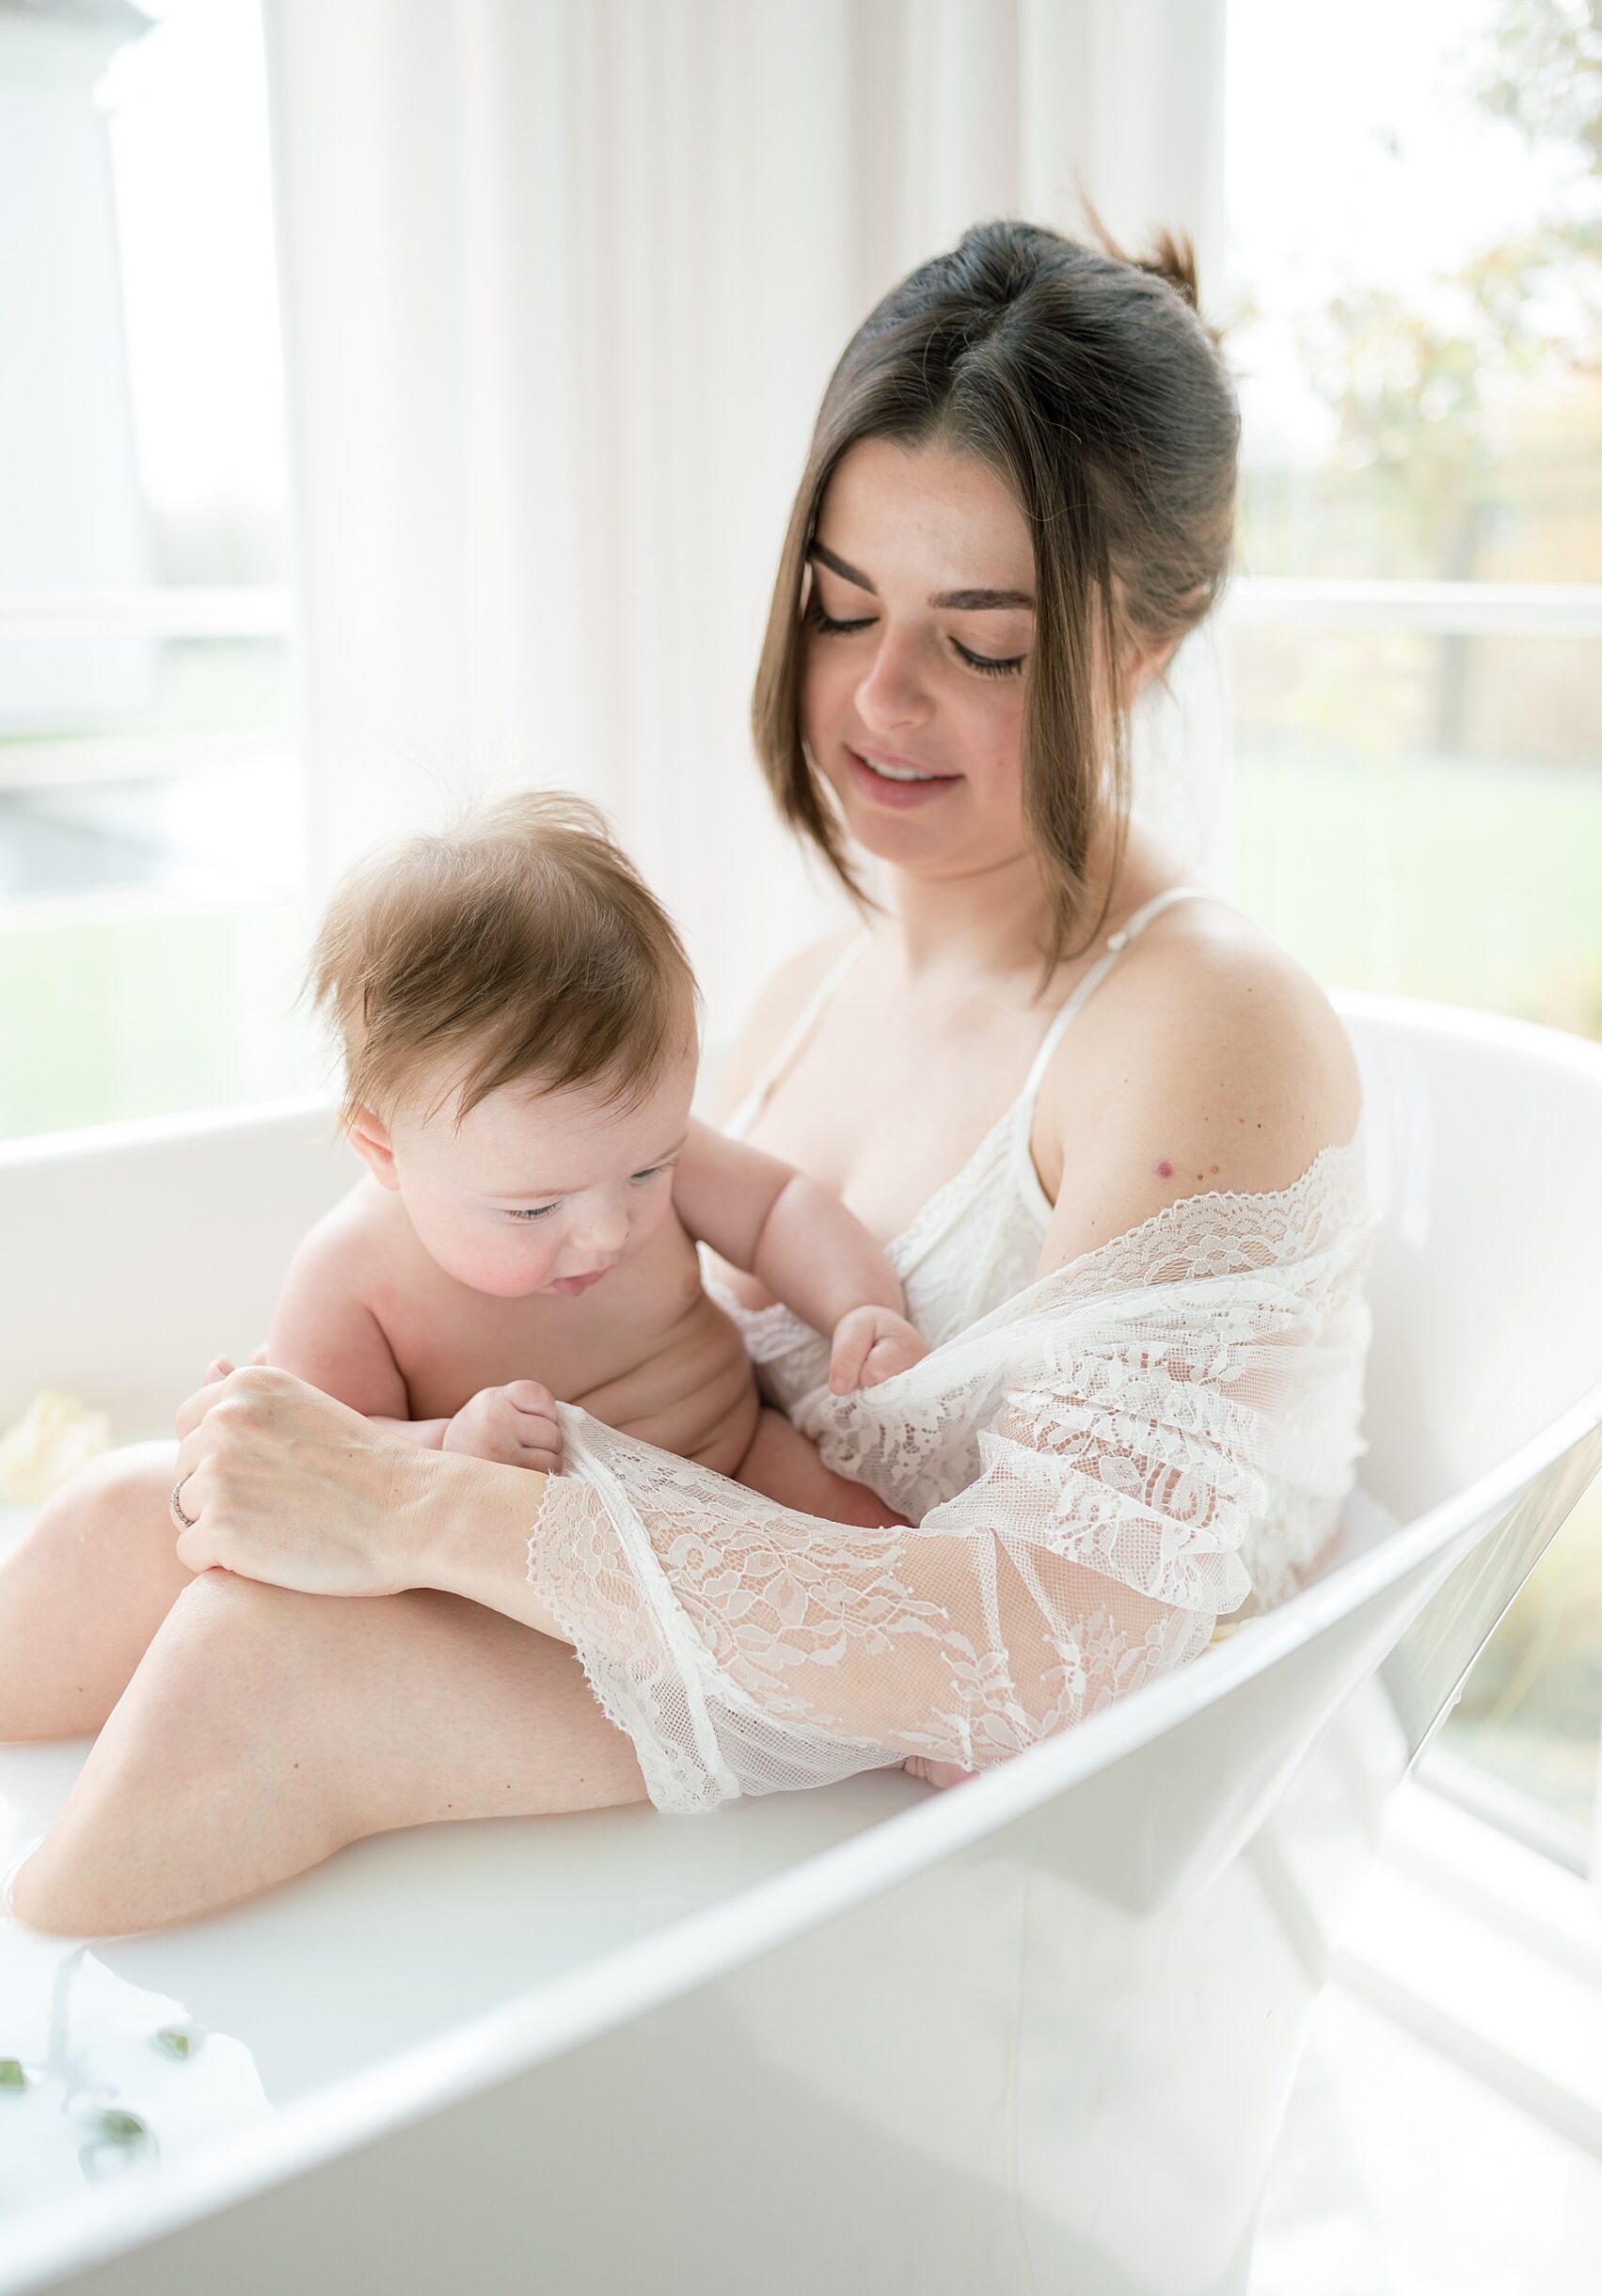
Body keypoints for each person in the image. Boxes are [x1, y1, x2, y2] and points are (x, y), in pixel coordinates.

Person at [1, 217, 1372, 1938]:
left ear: (1143, 649)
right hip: (685, 1587)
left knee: (249, 1662)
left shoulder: (1203, 1022)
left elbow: (1064, 1641)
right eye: (838, 605)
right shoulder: (810, 991)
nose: (878, 696)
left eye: (981, 640)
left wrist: (405, 1505)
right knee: (129, 1526)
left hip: (965, 1802)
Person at [212, 789, 923, 1509]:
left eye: (648, 1171)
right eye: (534, 1209)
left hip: (738, 1455)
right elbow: (328, 1454)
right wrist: (452, 1446)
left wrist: (857, 1305)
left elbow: (778, 1207)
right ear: (383, 1150)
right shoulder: (350, 1276)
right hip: (538, 1556)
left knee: (876, 1540)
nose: (610, 1231)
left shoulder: (620, 1148)